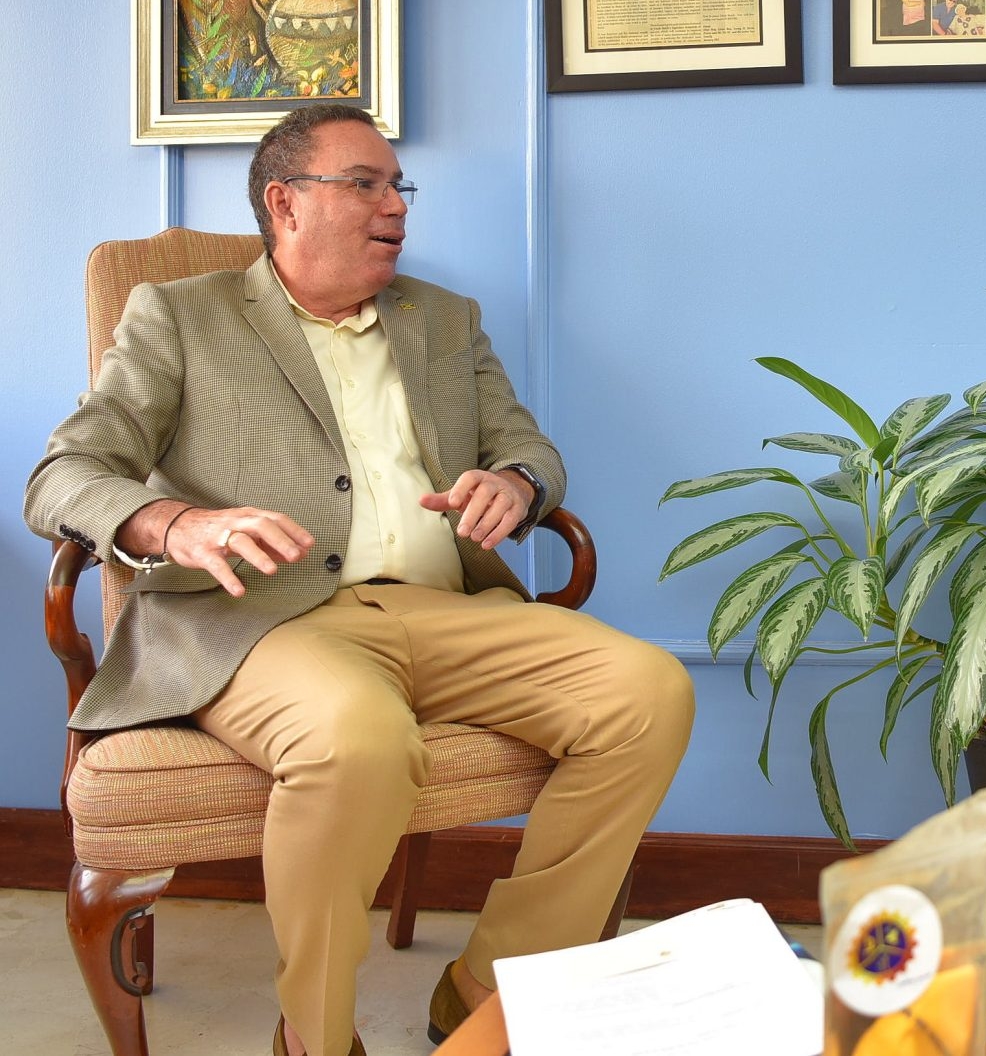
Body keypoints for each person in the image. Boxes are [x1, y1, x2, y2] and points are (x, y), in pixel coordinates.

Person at [25, 105, 696, 1056]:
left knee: (649, 691)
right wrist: (177, 521)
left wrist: (514, 482)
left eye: (399, 186)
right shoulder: (181, 315)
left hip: (443, 607)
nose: (397, 207)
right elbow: (63, 475)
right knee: (358, 737)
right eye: (367, 184)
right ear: (285, 204)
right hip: (261, 623)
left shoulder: (444, 319)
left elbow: (526, 443)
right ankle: (317, 1035)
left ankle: (485, 997)